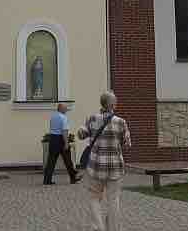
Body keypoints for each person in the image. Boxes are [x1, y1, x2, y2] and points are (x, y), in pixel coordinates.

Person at [77, 91, 131, 231]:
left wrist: (83, 130)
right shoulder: (121, 122)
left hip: (96, 167)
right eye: (116, 102)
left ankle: (99, 227)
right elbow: (127, 143)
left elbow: (81, 134)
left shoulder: (92, 119)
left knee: (94, 197)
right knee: (114, 200)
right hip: (115, 168)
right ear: (112, 104)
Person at [43, 103, 79, 185]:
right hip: (60, 139)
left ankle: (47, 180)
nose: (66, 109)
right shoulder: (63, 118)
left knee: (51, 161)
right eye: (65, 108)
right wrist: (66, 143)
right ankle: (73, 178)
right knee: (68, 160)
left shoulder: (53, 117)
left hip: (52, 139)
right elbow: (64, 131)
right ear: (61, 109)